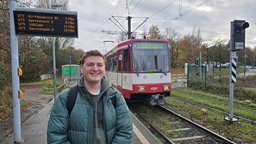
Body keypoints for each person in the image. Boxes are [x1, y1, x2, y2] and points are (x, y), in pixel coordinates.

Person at [47, 50, 133, 144]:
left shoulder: (116, 97)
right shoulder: (66, 98)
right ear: (81, 68)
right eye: (90, 64)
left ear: (104, 69)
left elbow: (125, 132)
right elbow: (56, 137)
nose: (95, 68)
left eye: (99, 65)